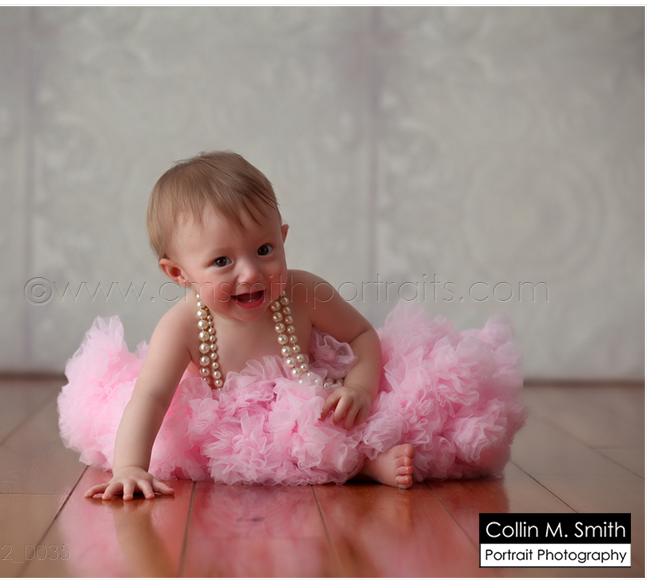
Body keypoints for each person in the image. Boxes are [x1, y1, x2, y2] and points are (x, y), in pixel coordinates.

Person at [58, 151, 527, 500]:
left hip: (311, 392)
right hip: (228, 423)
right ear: (178, 273)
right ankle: (362, 467)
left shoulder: (302, 293)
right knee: (267, 443)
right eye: (222, 261)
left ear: (282, 238)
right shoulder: (181, 326)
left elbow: (363, 335)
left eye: (264, 250)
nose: (250, 273)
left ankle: (366, 458)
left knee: (348, 416)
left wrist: (360, 388)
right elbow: (150, 397)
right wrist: (130, 467)